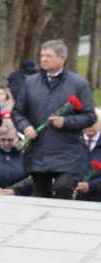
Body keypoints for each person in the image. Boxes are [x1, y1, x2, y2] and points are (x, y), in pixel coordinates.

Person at [11, 40, 95, 199]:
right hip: (38, 151)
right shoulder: (30, 83)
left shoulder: (79, 84)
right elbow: (17, 112)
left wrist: (65, 122)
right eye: (42, 55)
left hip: (66, 152)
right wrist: (26, 127)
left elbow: (89, 116)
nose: (43, 59)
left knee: (63, 187)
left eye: (49, 56)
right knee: (42, 197)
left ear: (62, 58)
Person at [73, 110, 101, 202]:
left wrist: (91, 186)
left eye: (93, 122)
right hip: (73, 199)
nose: (90, 125)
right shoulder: (72, 143)